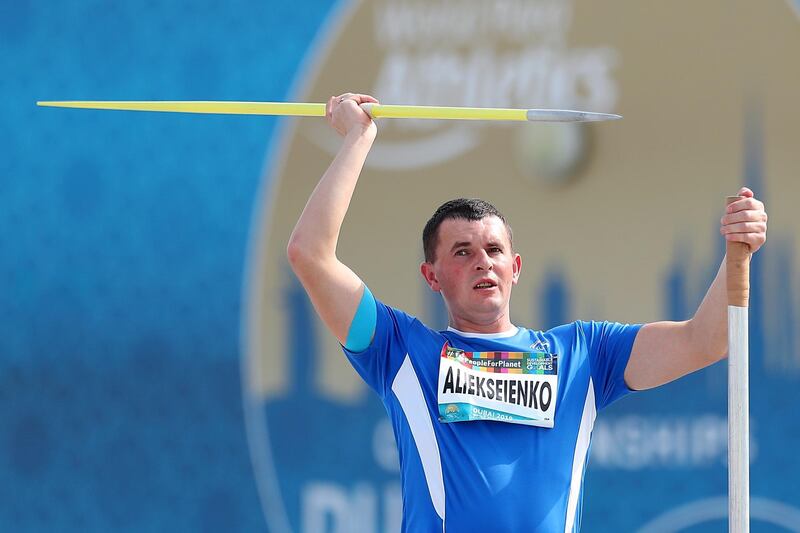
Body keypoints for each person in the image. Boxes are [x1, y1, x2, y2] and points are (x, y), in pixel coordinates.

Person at [286, 93, 768, 532]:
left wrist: (737, 254)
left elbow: (707, 340)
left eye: (494, 250)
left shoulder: (584, 352)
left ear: (515, 268)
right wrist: (359, 137)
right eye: (461, 252)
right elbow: (310, 253)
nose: (482, 261)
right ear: (430, 277)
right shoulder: (400, 351)